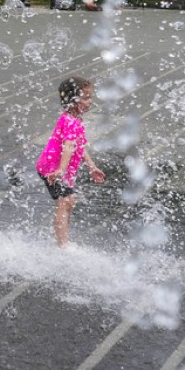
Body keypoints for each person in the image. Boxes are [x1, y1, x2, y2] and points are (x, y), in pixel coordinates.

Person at [35, 76, 105, 248]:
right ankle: (63, 245)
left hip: (58, 169)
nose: (90, 101)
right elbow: (68, 146)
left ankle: (63, 241)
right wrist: (60, 170)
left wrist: (92, 166)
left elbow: (79, 146)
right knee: (66, 201)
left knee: (67, 201)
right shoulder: (71, 121)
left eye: (90, 96)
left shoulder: (74, 119)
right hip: (52, 169)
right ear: (73, 101)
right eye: (86, 97)